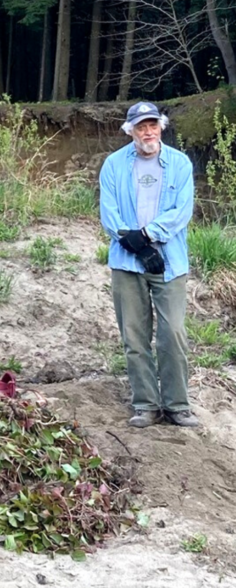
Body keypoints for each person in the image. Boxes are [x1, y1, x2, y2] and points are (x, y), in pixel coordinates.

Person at [99, 101, 196, 428]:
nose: (148, 131)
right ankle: (145, 405)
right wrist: (139, 247)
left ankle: (177, 405)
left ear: (161, 126)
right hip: (127, 263)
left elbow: (181, 212)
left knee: (173, 334)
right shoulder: (113, 165)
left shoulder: (180, 164)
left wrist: (148, 235)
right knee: (134, 337)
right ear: (131, 131)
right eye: (141, 126)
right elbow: (109, 215)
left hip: (169, 263)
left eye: (153, 124)